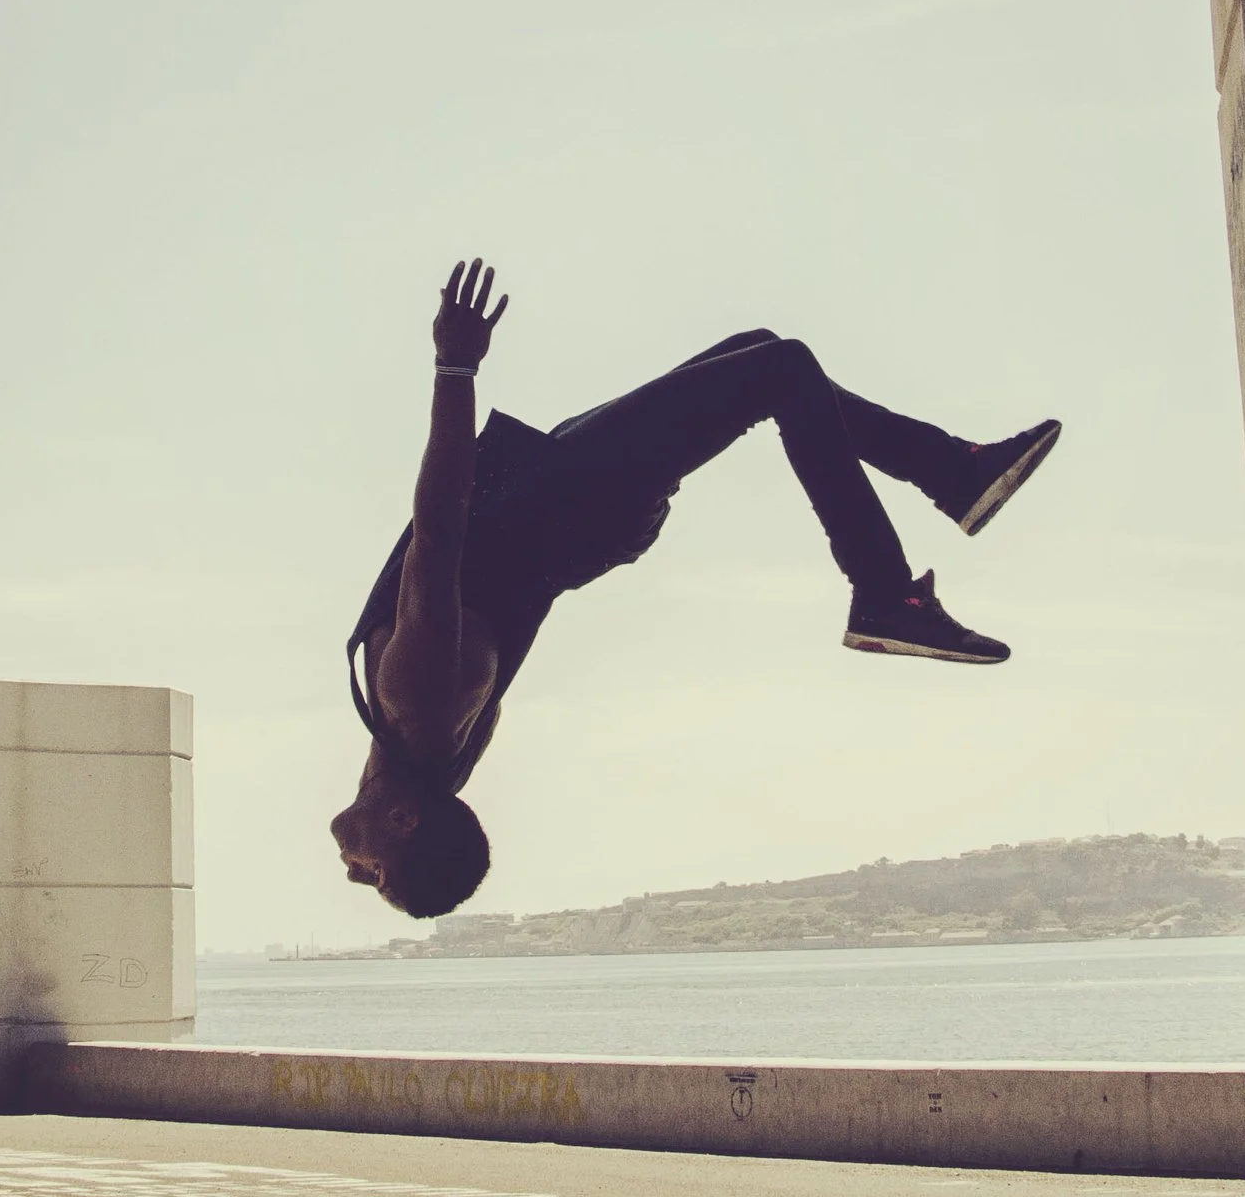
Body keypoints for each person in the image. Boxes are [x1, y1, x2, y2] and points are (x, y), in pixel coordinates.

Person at [332, 263, 1059, 920]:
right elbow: (439, 527)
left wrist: (393, 862)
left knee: (762, 350)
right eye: (375, 871)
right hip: (580, 494)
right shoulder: (420, 700)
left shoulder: (420, 759)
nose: (352, 871)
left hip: (565, 487)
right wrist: (453, 366)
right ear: (404, 820)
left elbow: (407, 810)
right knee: (781, 368)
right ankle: (884, 593)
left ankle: (952, 475)